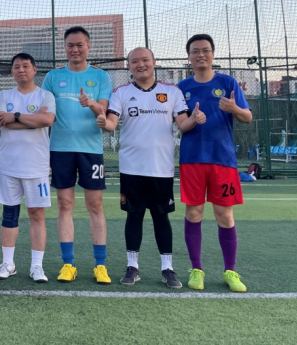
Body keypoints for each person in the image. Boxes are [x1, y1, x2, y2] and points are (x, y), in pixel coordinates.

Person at [97, 47, 203, 289]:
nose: (140, 65)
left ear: (154, 62)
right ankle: (132, 266)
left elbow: (182, 124)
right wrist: (104, 122)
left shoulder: (172, 92)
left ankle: (168, 268)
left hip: (161, 168)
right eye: (134, 61)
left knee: (161, 216)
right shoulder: (121, 92)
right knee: (133, 216)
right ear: (129, 66)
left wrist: (194, 119)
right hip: (131, 167)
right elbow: (111, 122)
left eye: (145, 60)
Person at [178, 34, 252, 292]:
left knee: (225, 215)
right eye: (195, 51)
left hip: (223, 160)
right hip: (192, 160)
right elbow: (180, 125)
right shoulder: (181, 87)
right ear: (189, 56)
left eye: (206, 50)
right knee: (193, 213)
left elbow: (247, 117)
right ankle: (196, 269)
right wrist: (193, 119)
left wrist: (234, 109)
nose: (201, 55)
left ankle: (230, 271)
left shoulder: (228, 82)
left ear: (213, 54)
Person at [42, 26, 113, 284]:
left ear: (88, 47)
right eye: (70, 45)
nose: (75, 49)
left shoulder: (101, 76)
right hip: (60, 149)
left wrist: (91, 103)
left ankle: (100, 265)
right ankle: (68, 264)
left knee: (95, 205)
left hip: (90, 150)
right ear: (65, 48)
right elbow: (45, 113)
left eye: (80, 45)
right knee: (65, 205)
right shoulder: (52, 77)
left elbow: (103, 112)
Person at [0, 53, 56, 283]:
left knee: (37, 215)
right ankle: (8, 263)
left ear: (34, 70)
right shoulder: (4, 96)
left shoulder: (45, 95)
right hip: (9, 166)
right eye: (17, 67)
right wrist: (32, 119)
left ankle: (36, 266)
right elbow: (3, 122)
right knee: (9, 214)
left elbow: (47, 120)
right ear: (12, 72)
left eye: (25, 66)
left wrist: (17, 116)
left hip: (37, 167)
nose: (21, 70)